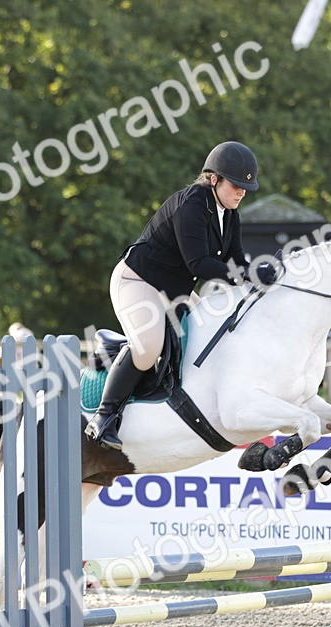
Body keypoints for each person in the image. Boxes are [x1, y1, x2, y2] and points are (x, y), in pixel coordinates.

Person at [85, 141, 277, 450]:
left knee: (215, 336)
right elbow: (198, 263)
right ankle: (103, 417)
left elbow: (237, 262)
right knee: (148, 349)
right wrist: (247, 275)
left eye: (246, 187)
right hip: (137, 280)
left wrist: (258, 274)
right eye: (236, 185)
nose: (242, 192)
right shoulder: (192, 204)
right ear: (213, 178)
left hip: (175, 290)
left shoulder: (229, 214)